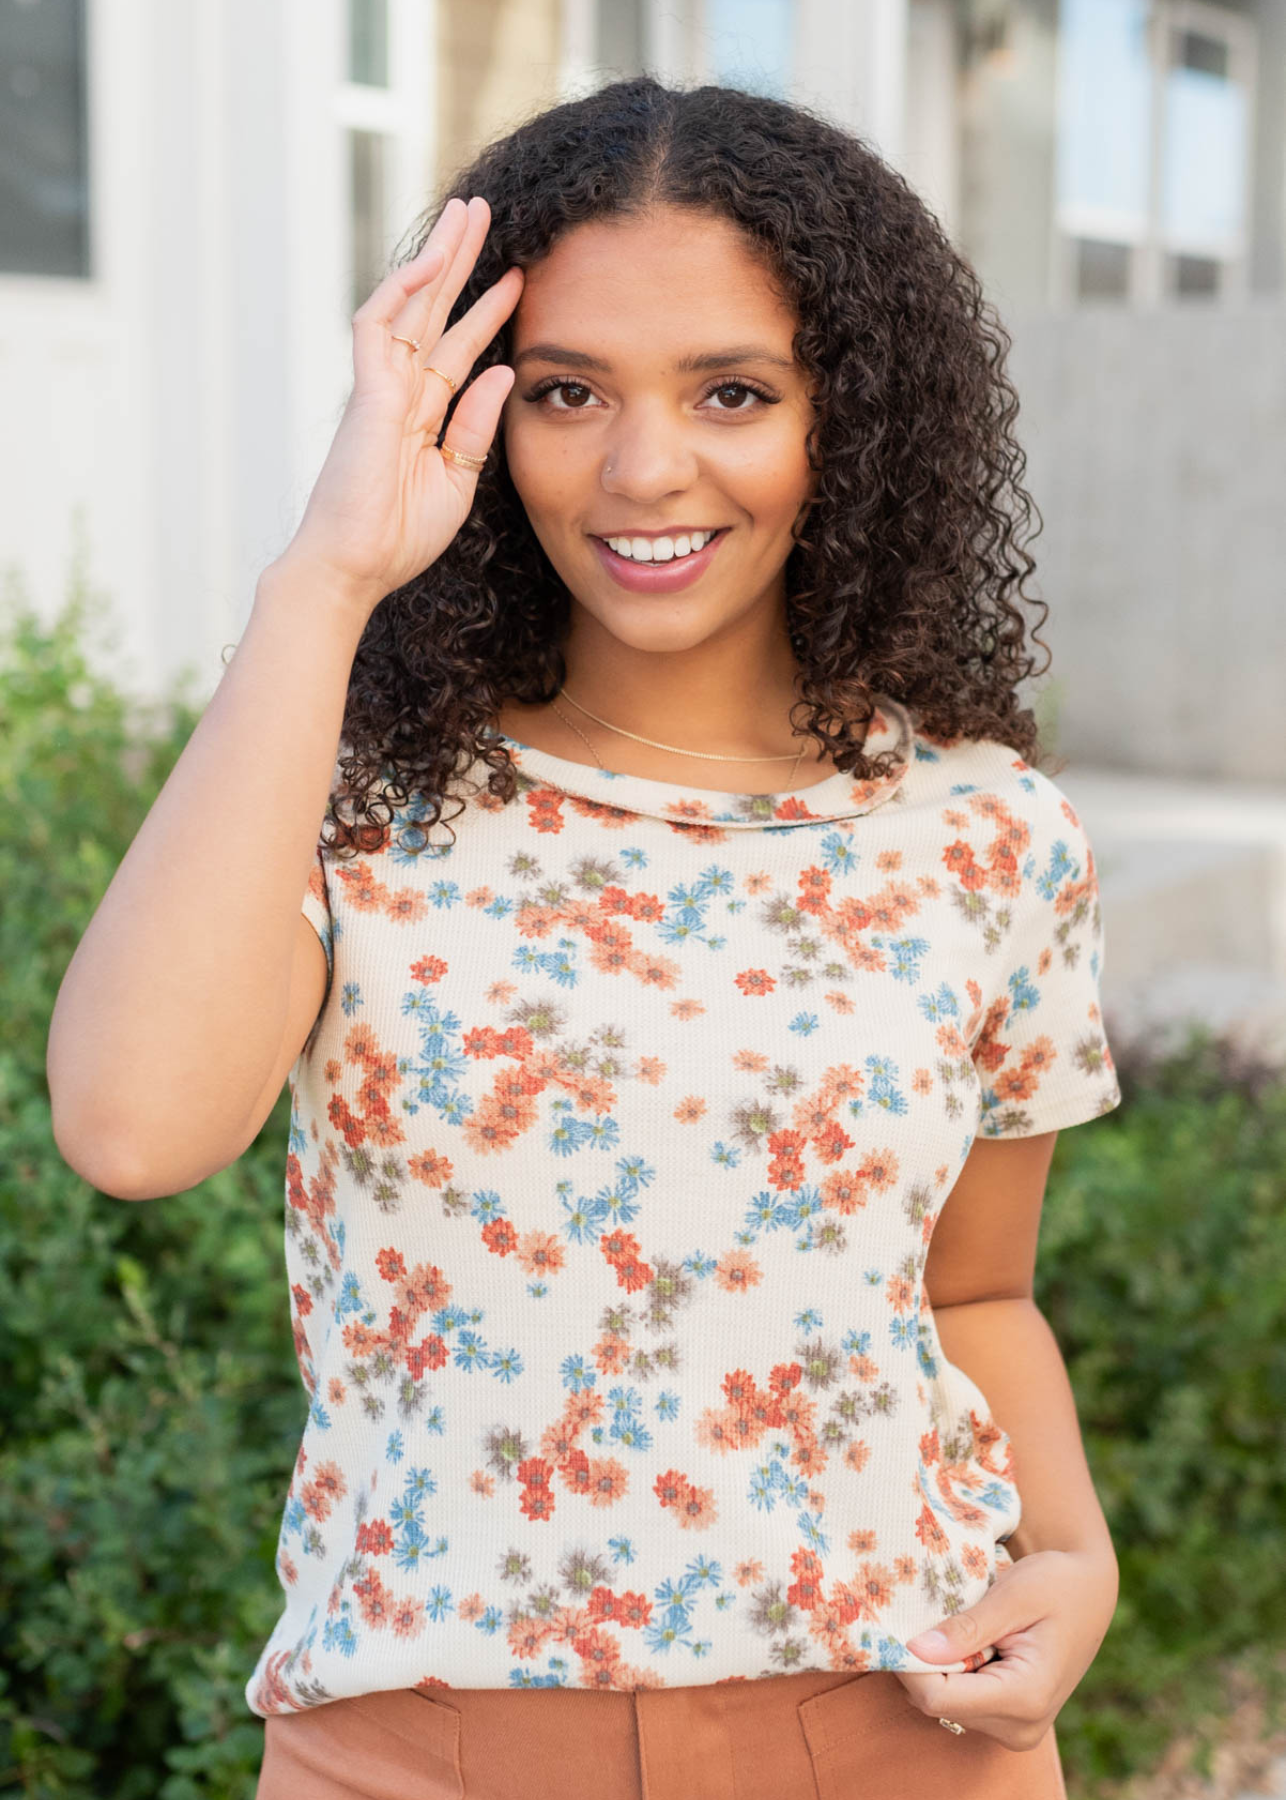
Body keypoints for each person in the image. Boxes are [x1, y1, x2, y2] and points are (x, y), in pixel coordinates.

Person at [47, 76, 1123, 1800]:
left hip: (898, 1732)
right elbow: (131, 1130)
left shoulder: (986, 833)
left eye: (731, 392)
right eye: (565, 392)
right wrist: (323, 580)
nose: (643, 468)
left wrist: (1071, 1563)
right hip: (414, 1750)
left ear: (846, 419)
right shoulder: (346, 796)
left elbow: (974, 1287)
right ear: (478, 417)